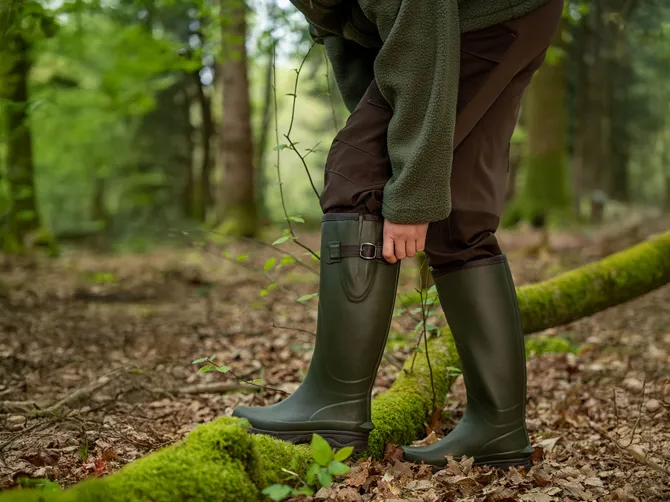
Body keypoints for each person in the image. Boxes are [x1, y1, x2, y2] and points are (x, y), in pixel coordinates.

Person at [234, 0, 563, 469]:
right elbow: (350, 39)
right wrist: (393, 148)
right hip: (511, 16)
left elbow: (420, 26)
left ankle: (333, 404)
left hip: (480, 19)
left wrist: (408, 187)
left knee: (356, 178)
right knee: (460, 221)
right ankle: (498, 429)